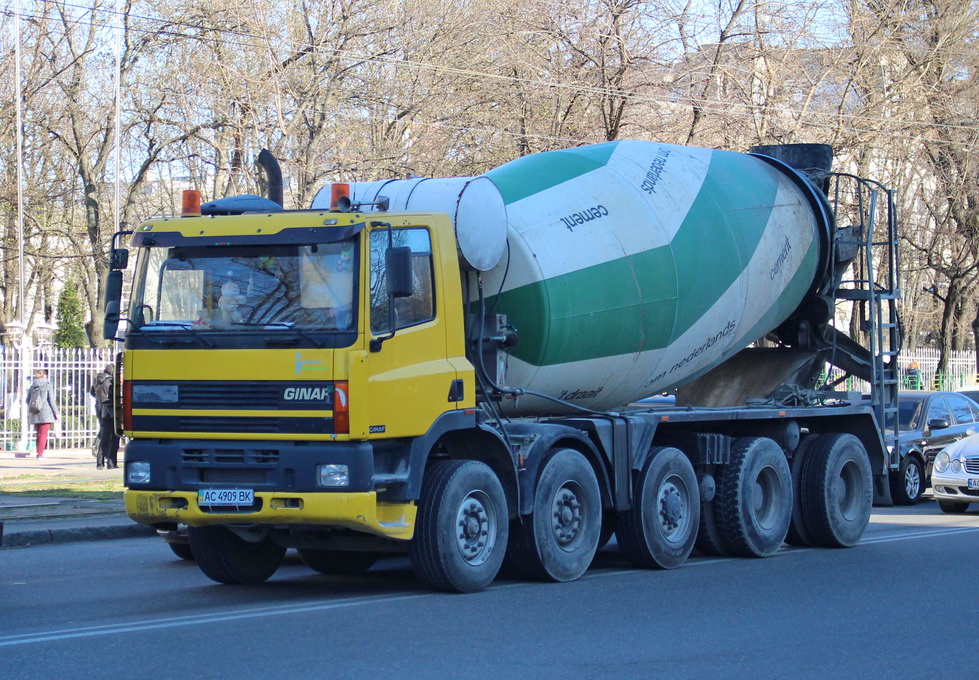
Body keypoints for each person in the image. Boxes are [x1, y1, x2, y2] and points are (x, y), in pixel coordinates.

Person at [90, 364, 120, 469]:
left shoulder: (98, 380)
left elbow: (92, 393)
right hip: (113, 411)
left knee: (104, 437)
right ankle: (112, 463)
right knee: (115, 438)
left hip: (102, 410)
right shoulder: (111, 382)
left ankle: (100, 463)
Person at [26, 368, 59, 458]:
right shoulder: (47, 385)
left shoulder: (32, 386)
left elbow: (27, 400)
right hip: (45, 412)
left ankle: (38, 453)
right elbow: (51, 401)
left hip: (35, 411)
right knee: (43, 435)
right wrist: (56, 413)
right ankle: (40, 455)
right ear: (45, 375)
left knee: (38, 434)